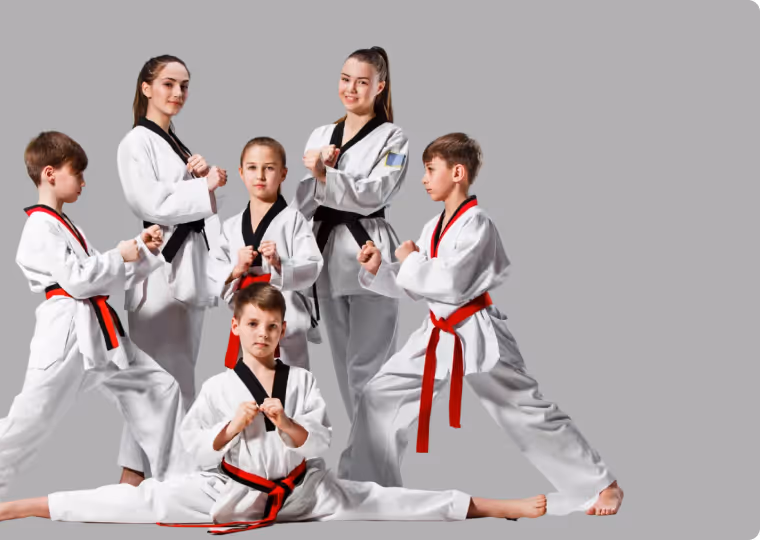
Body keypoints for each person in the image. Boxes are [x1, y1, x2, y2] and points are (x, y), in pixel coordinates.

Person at [0, 283, 547, 529]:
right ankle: (22, 507)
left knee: (388, 502)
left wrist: (284, 423)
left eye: (273, 327)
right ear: (238, 327)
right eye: (254, 325)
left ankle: (502, 506)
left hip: (301, 492)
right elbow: (194, 449)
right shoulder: (222, 385)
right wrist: (230, 429)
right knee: (140, 500)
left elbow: (320, 440)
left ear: (281, 331)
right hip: (227, 492)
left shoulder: (301, 381)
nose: (264, 335)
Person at [337, 133, 623, 516]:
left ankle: (602, 485)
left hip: (475, 331)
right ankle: (370, 490)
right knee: (379, 396)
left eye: (430, 169)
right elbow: (418, 286)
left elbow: (452, 283)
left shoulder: (477, 224)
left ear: (457, 172)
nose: (424, 178)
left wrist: (408, 261)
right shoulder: (434, 225)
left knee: (523, 410)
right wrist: (382, 270)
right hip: (437, 333)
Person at [0, 131, 183, 518]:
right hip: (67, 330)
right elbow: (80, 279)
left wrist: (141, 250)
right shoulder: (38, 227)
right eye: (77, 173)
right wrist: (121, 253)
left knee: (159, 389)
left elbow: (99, 276)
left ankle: (172, 484)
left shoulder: (67, 226)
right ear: (49, 174)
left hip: (99, 330)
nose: (83, 182)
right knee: (31, 418)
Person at [115, 54, 228, 485]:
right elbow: (150, 203)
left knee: (173, 379)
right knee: (162, 383)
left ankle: (134, 477)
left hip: (187, 272)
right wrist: (203, 184)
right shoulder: (136, 143)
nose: (177, 93)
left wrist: (201, 179)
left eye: (184, 86)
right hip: (159, 273)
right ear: (146, 88)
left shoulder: (176, 143)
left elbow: (198, 211)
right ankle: (168, 479)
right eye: (168, 84)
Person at [292, 46, 408, 416]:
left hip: (368, 250)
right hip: (326, 255)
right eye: (345, 80)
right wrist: (318, 174)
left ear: (380, 87)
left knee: (369, 370)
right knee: (344, 370)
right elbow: (303, 201)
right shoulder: (322, 134)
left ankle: (377, 462)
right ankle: (362, 460)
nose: (351, 89)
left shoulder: (393, 138)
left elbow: (377, 191)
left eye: (362, 82)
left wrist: (328, 176)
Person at [208, 136, 323, 370]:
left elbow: (312, 265)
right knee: (246, 392)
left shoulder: (293, 219)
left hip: (285, 316)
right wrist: (236, 269)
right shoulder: (231, 225)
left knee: (291, 386)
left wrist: (280, 264)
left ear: (283, 174)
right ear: (241, 173)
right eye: (252, 168)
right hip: (247, 317)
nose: (260, 176)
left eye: (269, 168)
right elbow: (213, 269)